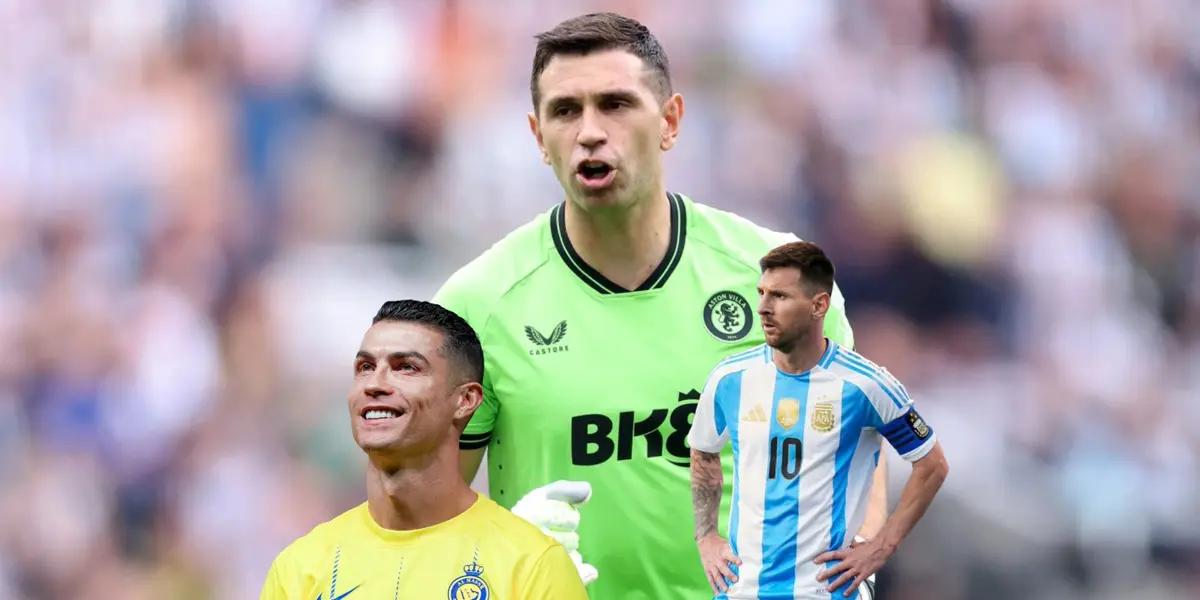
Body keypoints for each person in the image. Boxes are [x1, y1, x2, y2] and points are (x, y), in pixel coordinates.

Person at [434, 12, 887, 599]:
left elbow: (857, 463)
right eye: (565, 111)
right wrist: (497, 553)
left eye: (616, 105)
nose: (590, 131)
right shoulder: (478, 306)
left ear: (670, 120)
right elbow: (417, 518)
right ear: (538, 137)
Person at [259, 300, 588, 599]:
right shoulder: (300, 569)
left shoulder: (532, 566)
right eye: (365, 367)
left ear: (465, 400)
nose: (375, 384)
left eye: (406, 368)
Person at [689, 242, 949, 599]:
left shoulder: (866, 384)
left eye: (779, 296)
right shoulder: (730, 378)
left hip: (827, 591)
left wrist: (882, 546)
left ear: (819, 305)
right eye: (761, 293)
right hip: (744, 590)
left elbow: (932, 464)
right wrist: (706, 536)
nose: (763, 308)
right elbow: (703, 452)